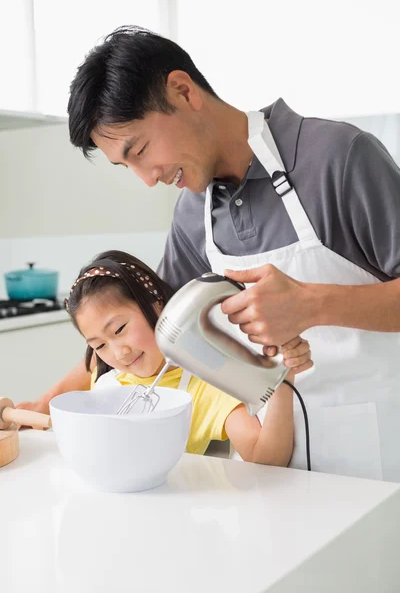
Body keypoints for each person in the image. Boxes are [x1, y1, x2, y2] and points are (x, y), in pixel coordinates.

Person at [20, 26, 400, 481]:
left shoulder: (337, 158)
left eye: (139, 149)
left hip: (378, 460)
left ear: (182, 91)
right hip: (273, 474)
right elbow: (151, 331)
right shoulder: (192, 214)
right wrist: (43, 404)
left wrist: (313, 304)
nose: (146, 178)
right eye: (128, 166)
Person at [64, 249, 312, 464]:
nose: (119, 353)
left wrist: (283, 377)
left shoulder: (206, 385)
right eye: (99, 345)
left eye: (119, 330)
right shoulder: (106, 381)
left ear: (155, 303)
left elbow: (265, 459)